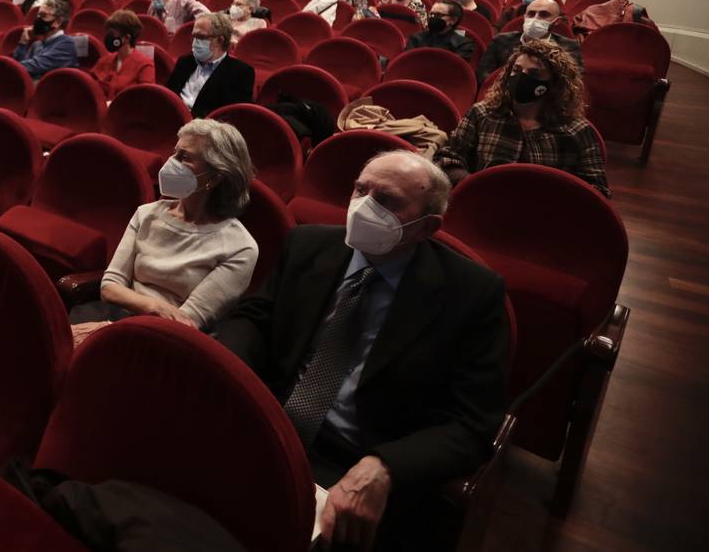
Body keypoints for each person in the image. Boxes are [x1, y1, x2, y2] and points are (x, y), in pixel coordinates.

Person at [216, 150, 509, 552]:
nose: (364, 205)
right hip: (272, 423)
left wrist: (385, 467)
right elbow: (254, 317)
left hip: (361, 459)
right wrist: (230, 375)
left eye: (386, 200)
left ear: (428, 227)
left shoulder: (472, 294)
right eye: (360, 189)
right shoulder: (308, 244)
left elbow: (472, 423)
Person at [70, 120, 258, 343]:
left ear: (215, 177)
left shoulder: (240, 247)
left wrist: (111, 328)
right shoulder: (147, 213)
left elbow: (187, 320)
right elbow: (110, 286)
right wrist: (153, 305)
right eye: (174, 152)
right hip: (113, 313)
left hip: (166, 339)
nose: (171, 163)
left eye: (185, 157)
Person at [436, 40, 609, 197]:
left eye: (535, 74)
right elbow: (448, 158)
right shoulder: (482, 113)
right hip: (485, 203)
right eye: (517, 70)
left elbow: (597, 190)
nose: (522, 77)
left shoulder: (577, 130)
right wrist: (475, 186)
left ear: (555, 83)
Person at [166, 12, 255, 118]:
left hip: (205, 129)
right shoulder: (184, 62)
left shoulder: (241, 72)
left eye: (201, 37)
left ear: (220, 40)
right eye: (194, 36)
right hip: (172, 120)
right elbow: (167, 96)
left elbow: (233, 116)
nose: (195, 42)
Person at [477, 0, 582, 84]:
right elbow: (483, 75)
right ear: (524, 17)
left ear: (557, 21)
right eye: (531, 14)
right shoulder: (501, 40)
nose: (536, 18)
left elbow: (572, 82)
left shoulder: (569, 47)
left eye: (544, 15)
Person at [92, 10, 155, 100]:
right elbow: (90, 86)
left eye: (112, 33)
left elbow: (145, 99)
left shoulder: (145, 65)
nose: (108, 37)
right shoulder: (105, 60)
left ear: (126, 38)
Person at [13, 0, 77, 79]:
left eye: (43, 15)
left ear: (57, 22)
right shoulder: (37, 44)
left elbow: (34, 66)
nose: (37, 19)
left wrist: (8, 66)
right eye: (38, 15)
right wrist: (23, 43)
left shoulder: (67, 43)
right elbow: (20, 69)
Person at [405, 0, 476, 62]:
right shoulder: (416, 38)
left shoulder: (463, 45)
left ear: (453, 20)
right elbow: (407, 63)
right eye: (431, 14)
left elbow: (455, 69)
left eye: (438, 15)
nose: (433, 17)